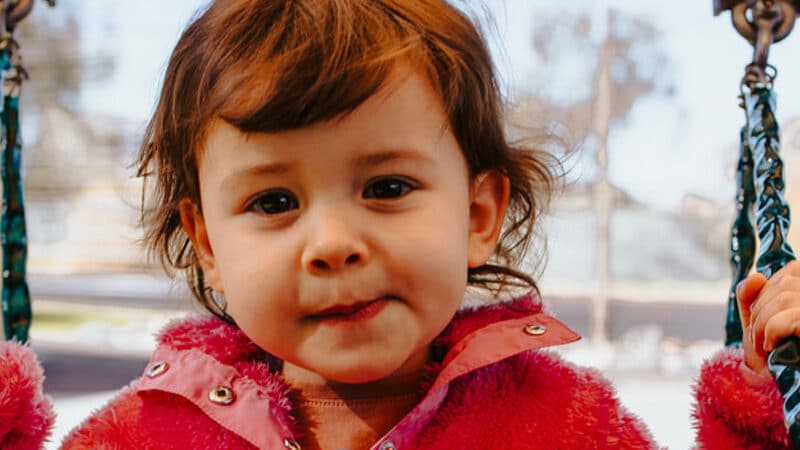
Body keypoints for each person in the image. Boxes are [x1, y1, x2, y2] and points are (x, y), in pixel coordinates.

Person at [0, 0, 797, 448]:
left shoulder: (562, 423)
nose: (332, 244)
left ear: (478, 215)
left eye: (386, 186)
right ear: (208, 242)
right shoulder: (146, 432)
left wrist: (764, 400)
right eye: (273, 202)